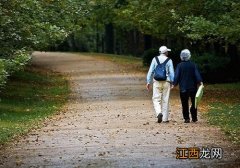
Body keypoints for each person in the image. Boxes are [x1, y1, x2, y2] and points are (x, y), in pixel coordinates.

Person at [173, 49, 203, 123]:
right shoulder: (193, 65)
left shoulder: (179, 65)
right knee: (194, 102)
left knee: (184, 103)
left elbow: (176, 76)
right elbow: (197, 74)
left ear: (181, 56)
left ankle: (186, 118)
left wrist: (174, 84)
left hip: (183, 88)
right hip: (192, 87)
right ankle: (194, 117)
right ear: (189, 56)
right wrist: (200, 82)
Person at [146, 46, 174, 123]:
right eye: (167, 51)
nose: (168, 52)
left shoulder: (155, 59)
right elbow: (171, 72)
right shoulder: (169, 60)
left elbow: (150, 71)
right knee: (165, 99)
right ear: (165, 52)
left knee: (156, 99)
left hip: (156, 81)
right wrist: (173, 82)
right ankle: (165, 119)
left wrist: (148, 82)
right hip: (166, 81)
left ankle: (159, 113)